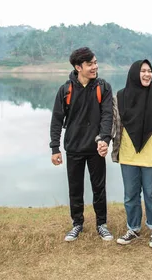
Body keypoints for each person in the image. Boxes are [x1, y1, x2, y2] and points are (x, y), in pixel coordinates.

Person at [99, 59, 152, 248]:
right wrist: (104, 140)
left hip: (151, 154)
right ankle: (133, 228)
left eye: (149, 70)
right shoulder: (120, 97)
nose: (147, 74)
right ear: (135, 73)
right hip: (128, 153)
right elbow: (111, 123)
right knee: (130, 194)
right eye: (143, 71)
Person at [49, 47, 114, 242]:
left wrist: (104, 139)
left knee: (99, 188)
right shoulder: (66, 90)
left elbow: (107, 116)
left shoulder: (103, 87)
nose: (95, 67)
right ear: (78, 67)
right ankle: (77, 223)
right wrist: (55, 148)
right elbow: (57, 120)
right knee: (75, 188)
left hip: (95, 148)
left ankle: (101, 224)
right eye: (90, 64)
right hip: (74, 147)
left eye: (95, 62)